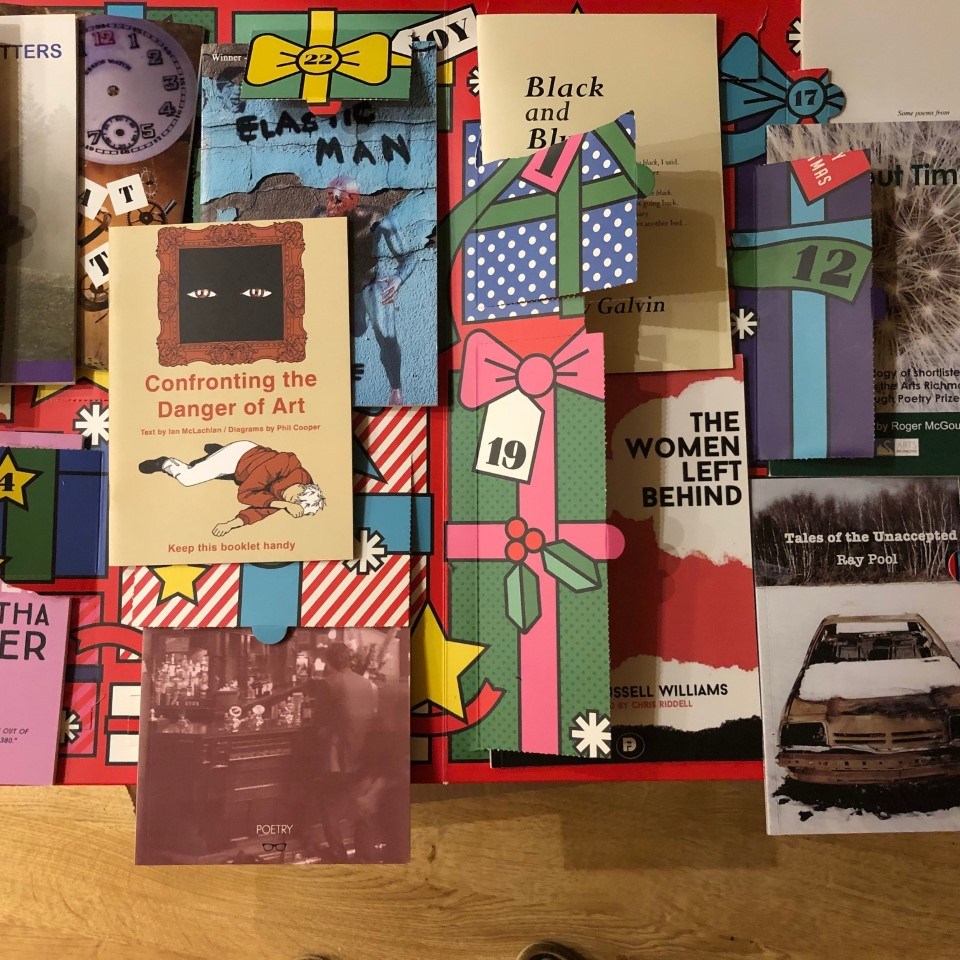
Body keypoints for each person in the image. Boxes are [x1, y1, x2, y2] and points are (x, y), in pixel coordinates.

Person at [318, 176, 418, 405]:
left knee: (385, 328)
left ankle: (396, 390)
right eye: (329, 197)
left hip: (369, 285)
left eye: (338, 200)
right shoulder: (320, 216)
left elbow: (409, 256)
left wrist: (398, 279)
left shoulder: (377, 217)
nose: (331, 205)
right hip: (339, 288)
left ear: (354, 200)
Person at [138, 440, 325, 538]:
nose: (287, 501)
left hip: (243, 470)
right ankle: (165, 463)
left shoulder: (286, 498)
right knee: (189, 478)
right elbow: (245, 494)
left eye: (291, 504)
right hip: (239, 455)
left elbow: (260, 511)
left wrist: (230, 525)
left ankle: (216, 452)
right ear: (301, 487)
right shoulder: (282, 464)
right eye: (293, 499)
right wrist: (282, 504)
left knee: (225, 475)